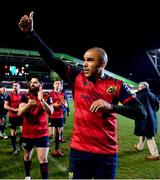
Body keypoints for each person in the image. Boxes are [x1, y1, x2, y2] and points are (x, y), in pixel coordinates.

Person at [18, 12, 147, 179]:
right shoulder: (76, 77)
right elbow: (52, 60)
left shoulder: (116, 85)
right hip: (79, 151)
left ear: (102, 63)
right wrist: (31, 34)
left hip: (106, 153)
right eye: (84, 59)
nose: (85, 63)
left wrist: (111, 107)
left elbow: (141, 112)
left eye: (90, 60)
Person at [18, 75, 54, 180]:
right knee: (27, 156)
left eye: (35, 82)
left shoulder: (47, 96)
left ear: (40, 85)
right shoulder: (25, 96)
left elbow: (50, 112)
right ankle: (28, 176)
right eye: (31, 82)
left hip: (42, 133)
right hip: (27, 133)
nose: (32, 84)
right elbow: (20, 112)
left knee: (43, 159)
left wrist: (41, 100)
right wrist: (28, 105)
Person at [133, 81, 160, 160]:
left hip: (144, 118)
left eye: (139, 87)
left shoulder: (139, 95)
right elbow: (157, 106)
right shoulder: (152, 95)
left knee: (149, 136)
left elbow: (134, 106)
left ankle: (155, 154)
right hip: (152, 118)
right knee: (144, 131)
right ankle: (139, 147)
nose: (138, 88)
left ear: (142, 87)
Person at [48, 80, 68, 156]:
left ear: (60, 85)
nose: (57, 85)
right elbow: (47, 105)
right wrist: (54, 105)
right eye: (56, 83)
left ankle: (57, 150)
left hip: (60, 116)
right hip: (52, 115)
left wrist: (65, 104)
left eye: (58, 84)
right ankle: (44, 141)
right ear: (53, 85)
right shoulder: (50, 94)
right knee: (51, 135)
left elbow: (66, 106)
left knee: (57, 134)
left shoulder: (62, 94)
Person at [4, 82, 24, 155]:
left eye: (16, 85)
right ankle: (15, 149)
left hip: (21, 116)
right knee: (13, 133)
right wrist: (14, 110)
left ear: (19, 87)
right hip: (12, 117)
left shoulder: (23, 95)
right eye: (13, 86)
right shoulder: (9, 95)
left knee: (24, 132)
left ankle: (20, 143)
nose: (14, 87)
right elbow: (5, 106)